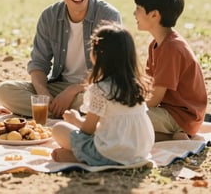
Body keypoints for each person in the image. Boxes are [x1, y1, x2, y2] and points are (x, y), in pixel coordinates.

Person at [0, 0, 122, 118]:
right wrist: (44, 95)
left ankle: (56, 111)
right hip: (59, 87)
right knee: (5, 91)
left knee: (106, 100)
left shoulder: (107, 15)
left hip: (97, 87)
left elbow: (110, 69)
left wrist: (73, 90)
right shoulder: (49, 16)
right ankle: (70, 112)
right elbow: (39, 63)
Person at [51, 22, 155, 165]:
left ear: (98, 54)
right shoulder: (137, 86)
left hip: (110, 152)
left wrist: (74, 119)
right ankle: (87, 157)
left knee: (59, 129)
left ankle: (86, 158)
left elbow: (88, 130)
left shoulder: (100, 89)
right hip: (139, 152)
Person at [133, 0, 207, 141]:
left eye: (138, 9)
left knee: (123, 120)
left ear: (154, 15)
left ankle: (180, 133)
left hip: (181, 116)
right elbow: (148, 86)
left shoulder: (172, 48)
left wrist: (128, 109)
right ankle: (173, 136)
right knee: (121, 117)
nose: (134, 14)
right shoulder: (157, 44)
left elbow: (154, 98)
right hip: (168, 111)